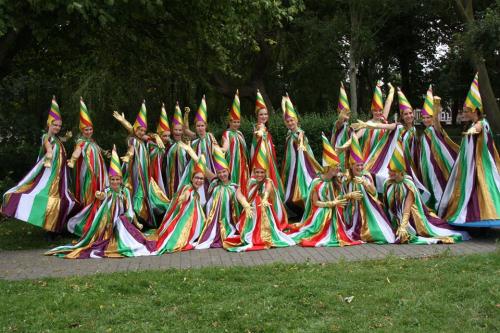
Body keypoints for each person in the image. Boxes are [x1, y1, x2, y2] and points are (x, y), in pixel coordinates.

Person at [46, 145, 156, 258]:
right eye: (112, 179)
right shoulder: (107, 190)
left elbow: (129, 208)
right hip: (107, 221)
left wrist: (134, 220)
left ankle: (123, 237)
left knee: (124, 226)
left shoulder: (125, 191)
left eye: (117, 179)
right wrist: (100, 195)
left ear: (121, 180)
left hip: (122, 219)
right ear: (109, 179)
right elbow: (102, 196)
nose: (114, 182)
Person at [2, 96, 75, 234]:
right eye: (55, 125)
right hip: (49, 172)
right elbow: (47, 144)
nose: (58, 127)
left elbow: (59, 141)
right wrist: (48, 152)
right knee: (46, 197)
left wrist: (67, 137)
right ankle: (48, 228)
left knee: (59, 198)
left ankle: (54, 228)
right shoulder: (46, 137)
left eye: (59, 126)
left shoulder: (57, 138)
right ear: (49, 124)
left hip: (59, 173)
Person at [438, 73, 500, 227]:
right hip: (470, 166)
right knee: (472, 191)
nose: (464, 113)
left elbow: (479, 129)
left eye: (466, 111)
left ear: (474, 110)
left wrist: (471, 131)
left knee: (485, 188)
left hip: (481, 165)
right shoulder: (471, 125)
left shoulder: (482, 123)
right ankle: (475, 217)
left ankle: (487, 216)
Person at [383, 141, 467, 244]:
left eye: (393, 171)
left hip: (411, 218)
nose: (390, 173)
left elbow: (407, 208)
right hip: (395, 218)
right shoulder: (388, 184)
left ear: (401, 172)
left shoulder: (408, 185)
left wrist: (403, 227)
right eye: (389, 171)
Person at [288, 133, 362, 247]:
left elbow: (340, 197)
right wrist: (332, 203)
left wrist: (348, 195)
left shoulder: (337, 181)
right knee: (325, 213)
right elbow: (315, 202)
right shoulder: (317, 182)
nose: (338, 168)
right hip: (321, 212)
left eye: (338, 166)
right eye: (335, 166)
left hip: (334, 211)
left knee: (333, 213)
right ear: (328, 167)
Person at [227, 142, 295, 252]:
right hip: (251, 212)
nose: (259, 175)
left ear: (265, 172)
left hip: (265, 212)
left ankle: (264, 235)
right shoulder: (250, 181)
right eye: (257, 172)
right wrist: (245, 204)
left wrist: (264, 198)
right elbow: (239, 192)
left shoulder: (268, 181)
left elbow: (268, 189)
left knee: (260, 204)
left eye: (262, 172)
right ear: (253, 172)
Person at [113, 101, 168, 229]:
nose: (142, 132)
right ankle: (137, 220)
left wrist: (156, 136)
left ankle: (144, 219)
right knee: (136, 194)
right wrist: (128, 156)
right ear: (135, 129)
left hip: (144, 174)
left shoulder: (142, 139)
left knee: (149, 194)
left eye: (144, 130)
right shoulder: (133, 140)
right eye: (139, 129)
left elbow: (149, 136)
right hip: (136, 174)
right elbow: (131, 148)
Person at [66, 97, 109, 236]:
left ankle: (98, 220)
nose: (89, 131)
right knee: (90, 194)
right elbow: (77, 152)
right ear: (82, 130)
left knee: (100, 192)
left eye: (90, 129)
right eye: (86, 129)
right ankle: (87, 221)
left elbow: (99, 149)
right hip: (89, 174)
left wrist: (106, 153)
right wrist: (72, 160)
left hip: (99, 173)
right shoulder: (80, 141)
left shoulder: (92, 141)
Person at [343, 134, 396, 244]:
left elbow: (374, 192)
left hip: (369, 212)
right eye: (357, 165)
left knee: (378, 233)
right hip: (351, 214)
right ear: (351, 166)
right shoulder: (346, 179)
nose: (360, 168)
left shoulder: (366, 175)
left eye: (362, 165)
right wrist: (349, 195)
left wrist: (365, 183)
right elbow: (340, 197)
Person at [155, 155, 209, 254]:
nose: (199, 181)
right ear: (192, 179)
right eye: (197, 178)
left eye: (201, 179)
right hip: (183, 225)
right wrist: (183, 197)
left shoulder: (196, 192)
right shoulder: (188, 188)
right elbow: (186, 194)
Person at [280, 93, 321, 216]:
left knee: (303, 187)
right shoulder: (289, 134)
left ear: (296, 120)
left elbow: (301, 138)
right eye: (287, 121)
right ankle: (302, 212)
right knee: (291, 190)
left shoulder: (299, 133)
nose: (290, 123)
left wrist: (301, 143)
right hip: (292, 167)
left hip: (302, 166)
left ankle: (309, 210)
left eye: (292, 120)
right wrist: (285, 104)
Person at [419, 86, 459, 211]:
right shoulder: (424, 132)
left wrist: (436, 106)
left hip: (438, 163)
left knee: (439, 184)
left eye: (428, 117)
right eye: (424, 118)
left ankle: (441, 207)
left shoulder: (434, 128)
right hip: (427, 164)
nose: (426, 120)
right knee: (429, 183)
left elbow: (436, 122)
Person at [196, 146, 240, 249]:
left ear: (228, 171)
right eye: (219, 172)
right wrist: (196, 154)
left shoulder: (234, 187)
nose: (222, 174)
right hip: (213, 221)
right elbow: (203, 167)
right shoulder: (215, 182)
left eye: (224, 171)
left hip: (229, 222)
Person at [180, 95, 219, 202]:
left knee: (210, 188)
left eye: (202, 126)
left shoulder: (210, 136)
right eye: (198, 126)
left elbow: (217, 149)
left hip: (209, 167)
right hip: (197, 168)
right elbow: (185, 129)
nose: (200, 128)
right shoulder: (195, 138)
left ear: (206, 126)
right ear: (195, 127)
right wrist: (186, 114)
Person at [250, 90, 285, 199]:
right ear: (257, 116)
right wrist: (260, 134)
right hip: (262, 160)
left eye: (265, 114)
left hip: (269, 160)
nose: (264, 116)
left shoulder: (265, 128)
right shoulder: (259, 127)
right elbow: (257, 140)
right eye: (261, 114)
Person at [220, 90, 250, 196]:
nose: (236, 124)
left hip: (242, 164)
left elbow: (244, 150)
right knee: (232, 182)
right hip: (231, 164)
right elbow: (225, 146)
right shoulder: (226, 134)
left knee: (242, 183)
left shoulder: (240, 133)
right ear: (230, 122)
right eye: (234, 122)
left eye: (238, 122)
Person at [164, 102, 190, 198]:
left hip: (184, 177)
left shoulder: (187, 145)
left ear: (183, 131)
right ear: (172, 130)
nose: (178, 132)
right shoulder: (169, 144)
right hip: (170, 179)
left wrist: (186, 115)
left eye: (180, 130)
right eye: (176, 130)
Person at [149, 103, 171, 195]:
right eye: (164, 136)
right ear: (159, 135)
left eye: (168, 136)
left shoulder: (170, 144)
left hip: (165, 171)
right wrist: (154, 136)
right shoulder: (152, 143)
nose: (166, 138)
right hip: (154, 172)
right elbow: (146, 136)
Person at [331, 82, 352, 173]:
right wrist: (342, 115)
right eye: (343, 113)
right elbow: (340, 120)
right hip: (338, 153)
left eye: (348, 114)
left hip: (347, 154)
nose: (345, 116)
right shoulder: (337, 124)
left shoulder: (349, 126)